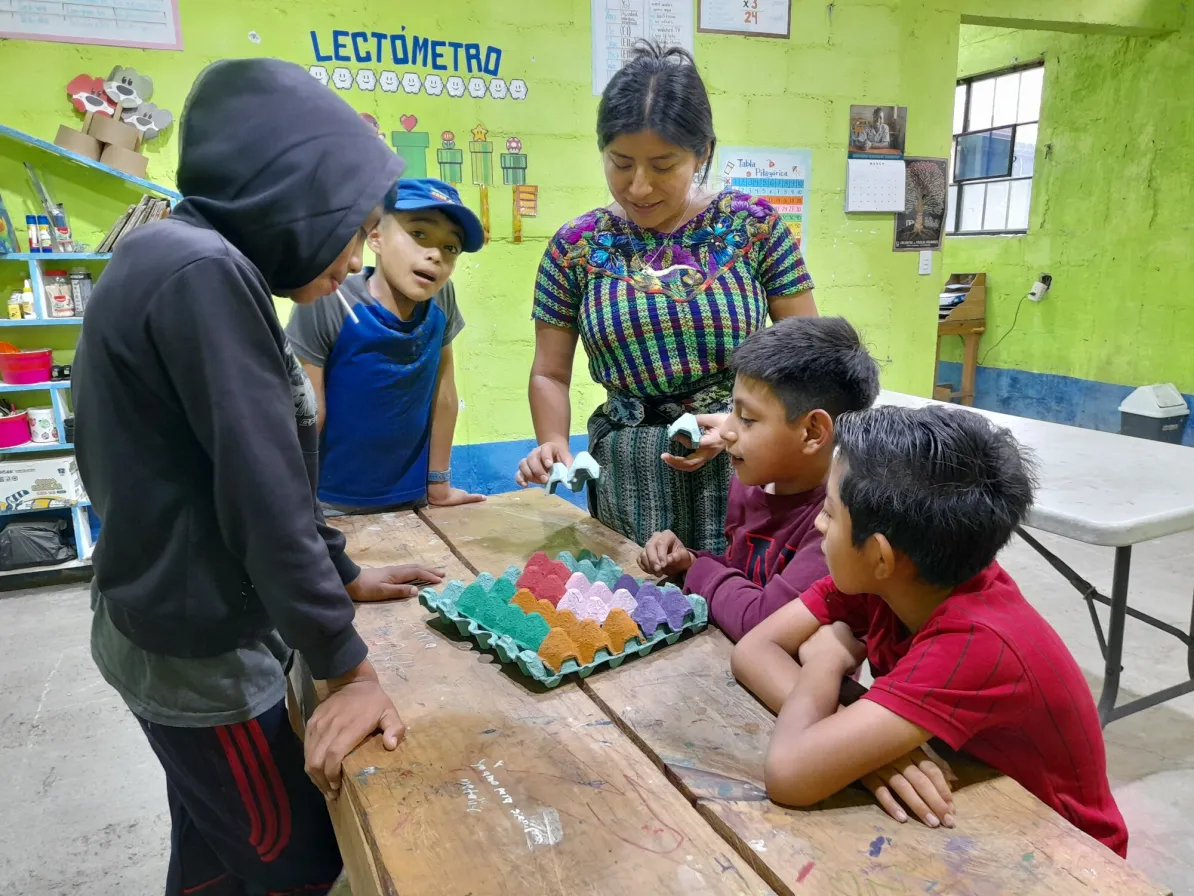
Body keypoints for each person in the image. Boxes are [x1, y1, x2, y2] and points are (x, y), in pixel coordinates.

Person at [72, 59, 444, 895]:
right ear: (288, 193)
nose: (355, 259)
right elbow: (260, 497)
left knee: (212, 842)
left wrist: (344, 574)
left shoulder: (184, 254)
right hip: (197, 649)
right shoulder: (204, 274)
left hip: (152, 615)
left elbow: (244, 464)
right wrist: (351, 671)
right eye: (352, 230)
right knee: (296, 861)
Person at [730, 405, 1128, 857]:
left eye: (829, 513)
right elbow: (753, 649)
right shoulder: (899, 575)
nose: (819, 526)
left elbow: (789, 773)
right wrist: (864, 751)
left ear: (879, 556)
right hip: (968, 807)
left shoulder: (976, 640)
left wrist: (825, 661)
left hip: (1063, 854)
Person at [516, 42, 816, 553]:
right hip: (627, 469)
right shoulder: (576, 246)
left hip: (738, 455)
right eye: (620, 163)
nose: (638, 186)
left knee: (738, 603)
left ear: (702, 153)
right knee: (634, 605)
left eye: (663, 165)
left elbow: (807, 359)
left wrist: (736, 427)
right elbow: (549, 372)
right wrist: (554, 443)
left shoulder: (754, 226)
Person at [638, 317, 879, 641]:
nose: (725, 431)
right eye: (731, 411)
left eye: (747, 418)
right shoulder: (750, 484)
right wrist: (689, 559)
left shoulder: (834, 524)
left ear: (812, 432)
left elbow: (762, 622)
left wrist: (698, 569)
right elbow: (745, 574)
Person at [287, 177, 486, 513]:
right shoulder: (331, 300)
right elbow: (308, 411)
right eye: (419, 234)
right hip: (331, 501)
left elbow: (444, 392)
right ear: (375, 237)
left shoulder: (441, 299)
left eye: (450, 247)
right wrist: (296, 503)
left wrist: (438, 484)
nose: (435, 254)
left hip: (413, 500)